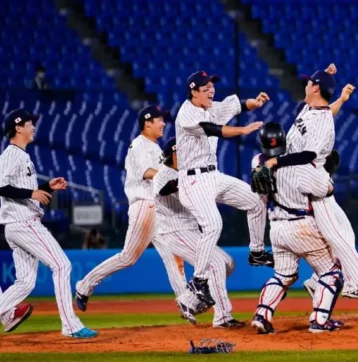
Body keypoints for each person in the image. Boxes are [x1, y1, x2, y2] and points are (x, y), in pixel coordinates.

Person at [261, 65, 358, 308]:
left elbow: (309, 153)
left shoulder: (322, 119)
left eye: (308, 83)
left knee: (341, 234)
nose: (304, 86)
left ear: (315, 88)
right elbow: (325, 109)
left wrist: (276, 160)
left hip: (311, 179)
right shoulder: (310, 109)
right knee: (338, 235)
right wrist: (338, 94)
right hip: (300, 182)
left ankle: (324, 282)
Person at [75, 106, 199, 318]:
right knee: (128, 258)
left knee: (173, 255)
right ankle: (84, 285)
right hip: (144, 205)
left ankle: (185, 303)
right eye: (160, 119)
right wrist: (175, 175)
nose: (163, 123)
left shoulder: (155, 148)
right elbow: (148, 173)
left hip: (159, 208)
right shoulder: (139, 145)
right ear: (147, 122)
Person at [175, 71, 273, 307]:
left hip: (213, 175)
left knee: (257, 199)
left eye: (212, 86)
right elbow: (215, 129)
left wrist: (255, 102)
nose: (211, 90)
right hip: (192, 181)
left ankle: (257, 251)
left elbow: (237, 105)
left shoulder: (212, 107)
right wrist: (244, 130)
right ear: (193, 91)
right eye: (205, 87)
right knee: (213, 224)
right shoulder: (186, 114)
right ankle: (198, 281)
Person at [0, 108, 96, 338]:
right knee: (62, 265)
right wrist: (33, 193)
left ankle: (8, 313)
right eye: (30, 123)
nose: (33, 126)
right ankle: (70, 325)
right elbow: (1, 187)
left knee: (25, 282)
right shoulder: (11, 154)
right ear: (18, 127)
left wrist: (45, 187)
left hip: (16, 224)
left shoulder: (21, 155)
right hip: (23, 221)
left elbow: (20, 189)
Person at [250, 122, 344, 334]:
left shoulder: (257, 161)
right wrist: (327, 172)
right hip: (302, 227)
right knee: (331, 271)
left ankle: (262, 315)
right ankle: (320, 320)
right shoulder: (299, 166)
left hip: (276, 229)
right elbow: (326, 190)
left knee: (284, 275)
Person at [152, 137, 244, 328]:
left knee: (228, 263)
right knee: (217, 263)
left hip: (191, 231)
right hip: (175, 232)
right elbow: (166, 189)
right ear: (171, 155)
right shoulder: (163, 174)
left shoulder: (188, 173)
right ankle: (223, 317)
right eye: (179, 153)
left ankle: (189, 300)